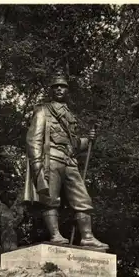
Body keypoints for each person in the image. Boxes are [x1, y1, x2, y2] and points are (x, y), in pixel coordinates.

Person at [24, 71, 108, 250]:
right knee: (50, 199)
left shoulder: (70, 115)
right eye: (56, 87)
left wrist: (88, 140)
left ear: (67, 90)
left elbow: (74, 144)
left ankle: (87, 237)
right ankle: (55, 235)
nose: (59, 89)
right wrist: (37, 164)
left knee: (82, 198)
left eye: (63, 86)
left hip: (69, 161)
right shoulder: (43, 110)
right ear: (51, 90)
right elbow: (34, 138)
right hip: (51, 159)